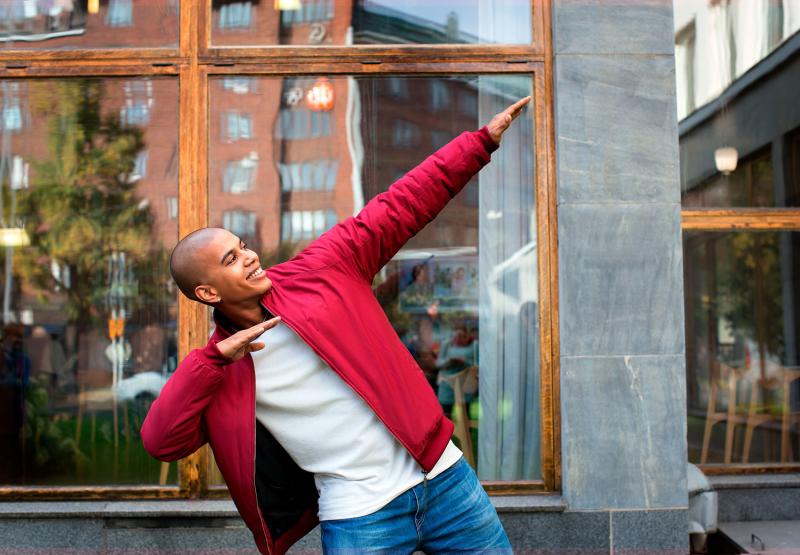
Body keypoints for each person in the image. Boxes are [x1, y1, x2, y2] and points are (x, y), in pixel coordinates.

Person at [140, 96, 530, 555]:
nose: (249, 255)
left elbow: (398, 207)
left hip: (444, 480)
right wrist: (210, 362)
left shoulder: (322, 268)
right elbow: (162, 441)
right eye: (231, 258)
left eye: (242, 245)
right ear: (208, 292)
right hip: (358, 513)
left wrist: (479, 143)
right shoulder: (221, 368)